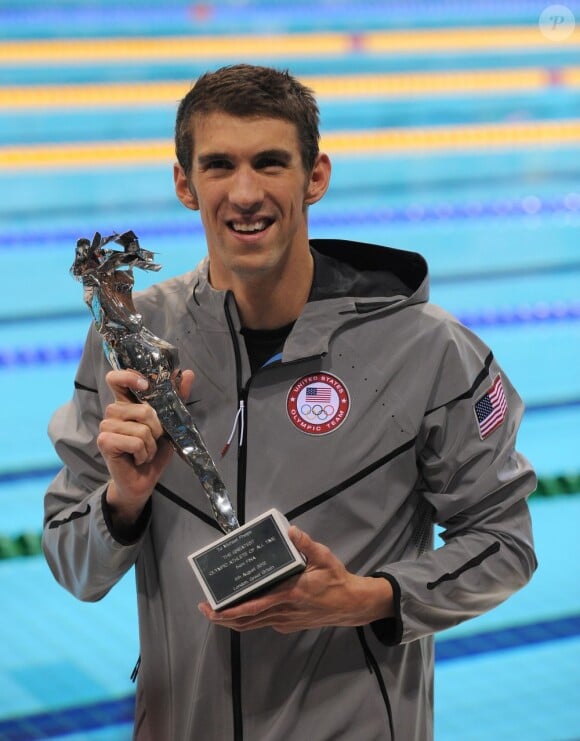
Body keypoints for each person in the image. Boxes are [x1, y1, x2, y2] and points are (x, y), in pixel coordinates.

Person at [43, 64, 537, 741]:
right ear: (185, 184)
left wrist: (366, 598)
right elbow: (72, 561)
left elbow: (505, 543)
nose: (245, 193)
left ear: (316, 176)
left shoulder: (426, 350)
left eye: (270, 162)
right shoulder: (133, 339)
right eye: (219, 166)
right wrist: (121, 504)